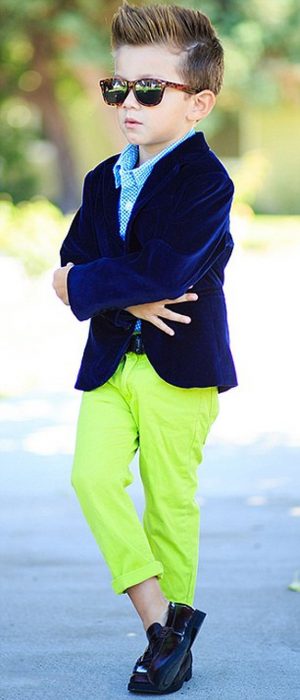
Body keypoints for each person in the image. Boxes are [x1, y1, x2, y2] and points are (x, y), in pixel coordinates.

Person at [52, 1, 238, 694]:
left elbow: (162, 271)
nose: (128, 102)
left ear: (198, 103)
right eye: (117, 87)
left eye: (150, 89)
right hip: (108, 364)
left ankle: (167, 654)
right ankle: (163, 619)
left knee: (169, 504)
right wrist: (104, 288)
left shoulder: (206, 183)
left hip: (179, 371)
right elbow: (71, 266)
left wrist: (89, 282)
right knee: (90, 478)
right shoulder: (104, 178)